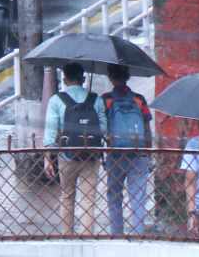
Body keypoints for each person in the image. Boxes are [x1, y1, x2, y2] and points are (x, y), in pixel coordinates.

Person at [44, 61, 106, 235]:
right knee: (88, 200)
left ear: (64, 79)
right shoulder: (96, 99)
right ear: (83, 78)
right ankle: (87, 237)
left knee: (67, 196)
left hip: (67, 155)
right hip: (92, 156)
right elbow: (103, 129)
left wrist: (48, 159)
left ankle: (67, 236)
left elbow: (50, 132)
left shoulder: (56, 100)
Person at [98, 64, 154, 235]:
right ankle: (138, 233)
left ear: (110, 77)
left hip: (115, 154)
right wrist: (148, 153)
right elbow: (146, 128)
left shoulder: (105, 100)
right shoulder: (139, 99)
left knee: (114, 195)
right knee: (138, 196)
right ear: (127, 77)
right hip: (138, 153)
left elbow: (101, 128)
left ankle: (116, 233)